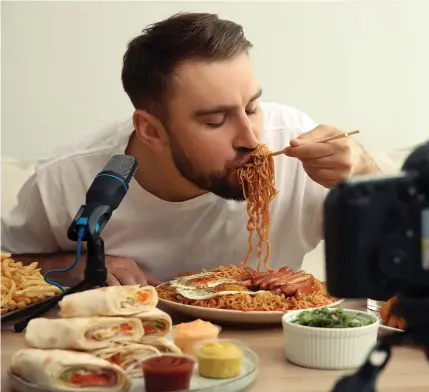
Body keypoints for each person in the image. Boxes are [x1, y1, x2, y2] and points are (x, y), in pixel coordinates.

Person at [1, 12, 379, 286]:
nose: (251, 137)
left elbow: (416, 255)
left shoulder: (299, 145)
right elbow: (7, 263)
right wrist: (72, 264)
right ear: (151, 130)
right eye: (216, 120)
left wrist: (366, 176)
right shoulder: (69, 177)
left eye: (252, 107)